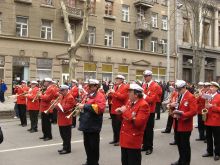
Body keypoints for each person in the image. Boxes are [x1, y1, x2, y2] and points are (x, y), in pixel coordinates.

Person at [118, 83, 150, 165]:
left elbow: (139, 123)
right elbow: (126, 117)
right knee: (125, 162)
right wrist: (121, 112)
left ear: (136, 94)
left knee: (133, 162)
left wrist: (125, 112)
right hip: (125, 138)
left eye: (130, 92)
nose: (127, 93)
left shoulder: (143, 105)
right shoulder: (130, 102)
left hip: (133, 140)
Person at [78, 79, 106, 165]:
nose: (88, 87)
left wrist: (85, 106)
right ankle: (89, 161)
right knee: (87, 145)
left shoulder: (100, 95)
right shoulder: (88, 95)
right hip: (86, 123)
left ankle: (94, 162)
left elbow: (100, 108)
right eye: (88, 86)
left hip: (94, 124)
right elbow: (84, 105)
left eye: (91, 86)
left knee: (94, 146)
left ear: (96, 86)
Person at [170, 80, 197, 165]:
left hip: (185, 125)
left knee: (185, 146)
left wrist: (182, 115)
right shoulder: (179, 95)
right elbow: (179, 106)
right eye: (177, 89)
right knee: (179, 144)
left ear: (184, 88)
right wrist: (173, 106)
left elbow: (194, 111)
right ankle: (181, 160)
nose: (177, 91)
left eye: (179, 89)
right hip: (177, 124)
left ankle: (186, 162)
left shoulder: (191, 96)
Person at [142, 70, 160, 155]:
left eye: (146, 76)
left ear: (150, 76)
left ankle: (150, 147)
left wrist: (143, 95)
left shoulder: (155, 85)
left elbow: (151, 100)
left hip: (150, 111)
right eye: (144, 76)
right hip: (143, 110)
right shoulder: (144, 84)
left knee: (149, 130)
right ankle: (145, 145)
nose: (144, 78)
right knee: (144, 129)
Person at [202, 82, 220, 161]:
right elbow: (205, 106)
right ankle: (209, 151)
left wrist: (212, 107)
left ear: (217, 88)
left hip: (216, 121)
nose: (211, 88)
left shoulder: (219, 97)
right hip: (208, 119)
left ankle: (217, 153)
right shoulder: (208, 97)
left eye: (213, 87)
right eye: (210, 87)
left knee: (217, 138)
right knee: (208, 137)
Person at [109, 75, 129, 146]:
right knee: (114, 125)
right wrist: (109, 94)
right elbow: (114, 96)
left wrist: (114, 93)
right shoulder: (115, 86)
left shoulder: (125, 87)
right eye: (116, 78)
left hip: (119, 109)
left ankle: (120, 140)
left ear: (122, 80)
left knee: (119, 126)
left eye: (118, 79)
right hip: (113, 108)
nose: (116, 80)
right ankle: (115, 139)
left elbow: (123, 97)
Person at [56, 85, 76, 154]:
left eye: (61, 91)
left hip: (66, 119)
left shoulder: (70, 97)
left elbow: (65, 108)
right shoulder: (62, 96)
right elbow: (60, 105)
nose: (60, 92)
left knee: (66, 135)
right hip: (61, 118)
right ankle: (64, 147)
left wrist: (57, 105)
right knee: (62, 134)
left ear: (65, 90)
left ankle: (67, 149)